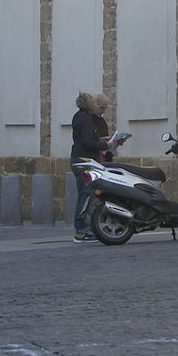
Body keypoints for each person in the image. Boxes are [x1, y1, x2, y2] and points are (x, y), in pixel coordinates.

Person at [69, 91, 120, 244]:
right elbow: (87, 142)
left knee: (86, 195)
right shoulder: (86, 119)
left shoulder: (79, 116)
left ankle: (84, 229)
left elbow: (87, 139)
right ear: (91, 105)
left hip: (79, 158)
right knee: (85, 196)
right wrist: (106, 144)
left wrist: (102, 140)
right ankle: (80, 232)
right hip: (84, 160)